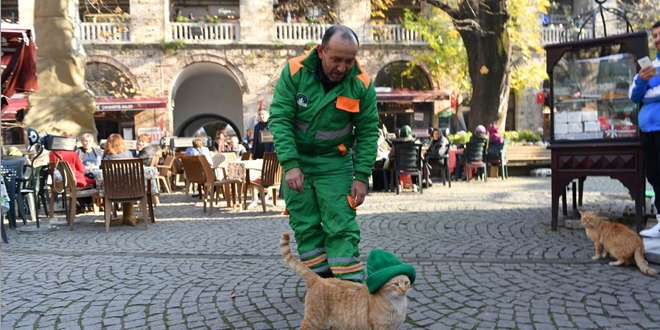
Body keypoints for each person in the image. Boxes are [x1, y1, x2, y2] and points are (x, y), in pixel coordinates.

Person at [269, 25, 379, 282]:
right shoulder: (295, 72)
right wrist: (291, 164)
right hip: (299, 163)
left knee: (341, 223)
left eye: (349, 61)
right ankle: (322, 286)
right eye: (336, 59)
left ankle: (349, 286)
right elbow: (280, 119)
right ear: (321, 51)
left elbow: (368, 132)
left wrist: (361, 176)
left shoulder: (361, 84)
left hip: (334, 163)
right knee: (305, 226)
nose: (342, 67)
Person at [630, 20, 660, 238]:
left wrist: (647, 91)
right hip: (648, 130)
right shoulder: (650, 67)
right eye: (655, 36)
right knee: (654, 175)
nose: (657, 40)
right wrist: (643, 81)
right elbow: (634, 96)